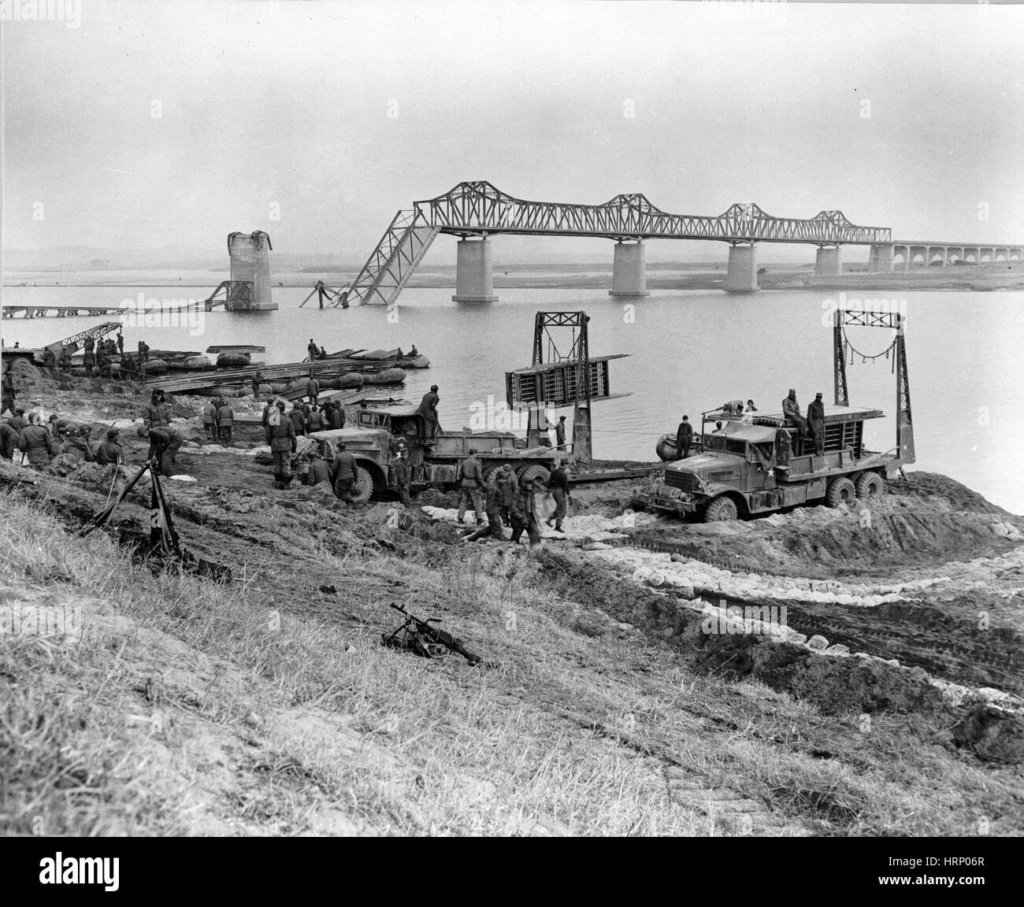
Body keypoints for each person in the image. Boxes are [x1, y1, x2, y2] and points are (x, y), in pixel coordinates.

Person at [265, 400, 297, 489]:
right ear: (284, 409)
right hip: (285, 445)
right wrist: (294, 447)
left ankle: (278, 483)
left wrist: (270, 444)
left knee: (277, 464)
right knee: (286, 464)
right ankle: (286, 483)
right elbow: (293, 436)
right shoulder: (288, 420)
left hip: (275, 445)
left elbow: (268, 434)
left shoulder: (271, 419)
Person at [510, 475, 546, 548]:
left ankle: (535, 550)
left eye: (531, 484)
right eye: (529, 484)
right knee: (515, 539)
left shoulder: (530, 492)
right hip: (519, 519)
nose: (531, 486)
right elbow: (512, 507)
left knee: (535, 533)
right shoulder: (517, 492)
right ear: (524, 484)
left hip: (530, 517)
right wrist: (521, 517)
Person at [456, 448, 485, 524]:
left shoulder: (464, 462)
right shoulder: (476, 463)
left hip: (464, 484)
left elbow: (460, 474)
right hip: (473, 484)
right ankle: (479, 519)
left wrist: (461, 483)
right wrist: (484, 486)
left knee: (463, 502)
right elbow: (479, 477)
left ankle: (460, 518)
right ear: (475, 453)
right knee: (477, 502)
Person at [546, 462, 571, 533]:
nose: (567, 467)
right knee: (562, 509)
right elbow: (565, 485)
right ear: (565, 465)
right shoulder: (563, 474)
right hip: (560, 491)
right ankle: (558, 526)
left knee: (559, 507)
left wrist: (548, 490)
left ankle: (549, 519)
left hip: (554, 491)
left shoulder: (554, 472)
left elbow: (550, 482)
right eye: (567, 465)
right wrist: (568, 494)